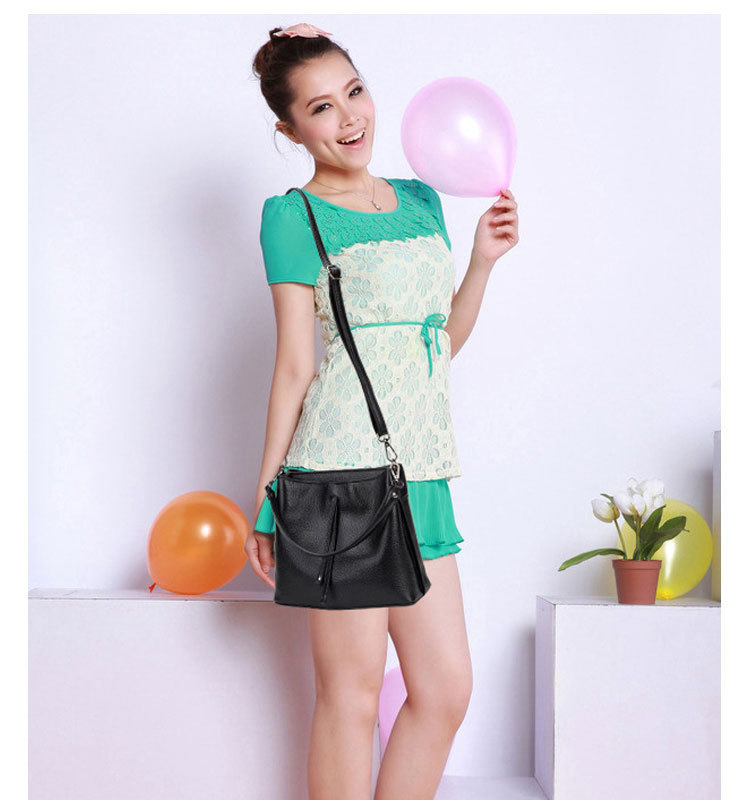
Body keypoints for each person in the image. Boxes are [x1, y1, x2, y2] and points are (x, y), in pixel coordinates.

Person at [247, 23, 519, 800]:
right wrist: (266, 495)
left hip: (421, 468)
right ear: (290, 130)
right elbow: (295, 365)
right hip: (339, 477)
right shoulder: (293, 216)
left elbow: (438, 342)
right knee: (352, 695)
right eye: (321, 108)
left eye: (354, 92)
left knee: (445, 688)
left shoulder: (424, 201)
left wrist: (481, 262)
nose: (349, 118)